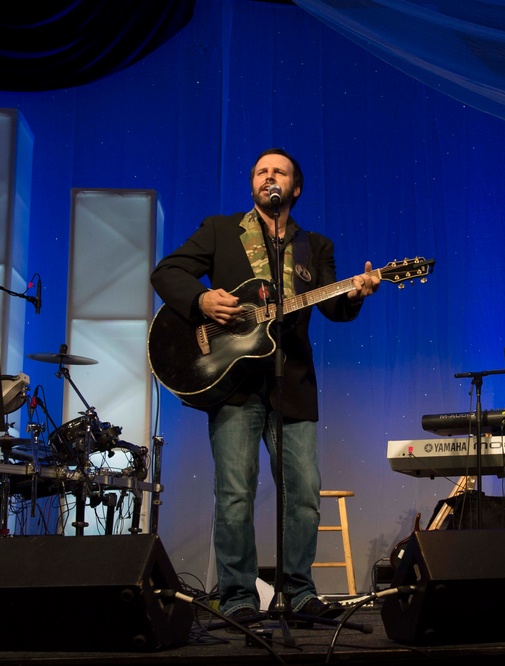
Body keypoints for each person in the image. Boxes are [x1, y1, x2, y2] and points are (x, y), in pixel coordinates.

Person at [150, 147, 380, 628]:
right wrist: (202, 299)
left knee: (303, 493)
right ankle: (237, 597)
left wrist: (356, 293)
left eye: (279, 171)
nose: (268, 176)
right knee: (235, 493)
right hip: (231, 383)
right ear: (252, 184)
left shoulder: (315, 247)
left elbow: (334, 308)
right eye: (261, 171)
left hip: (292, 385)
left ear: (295, 188)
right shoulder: (219, 229)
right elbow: (166, 272)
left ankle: (299, 591)